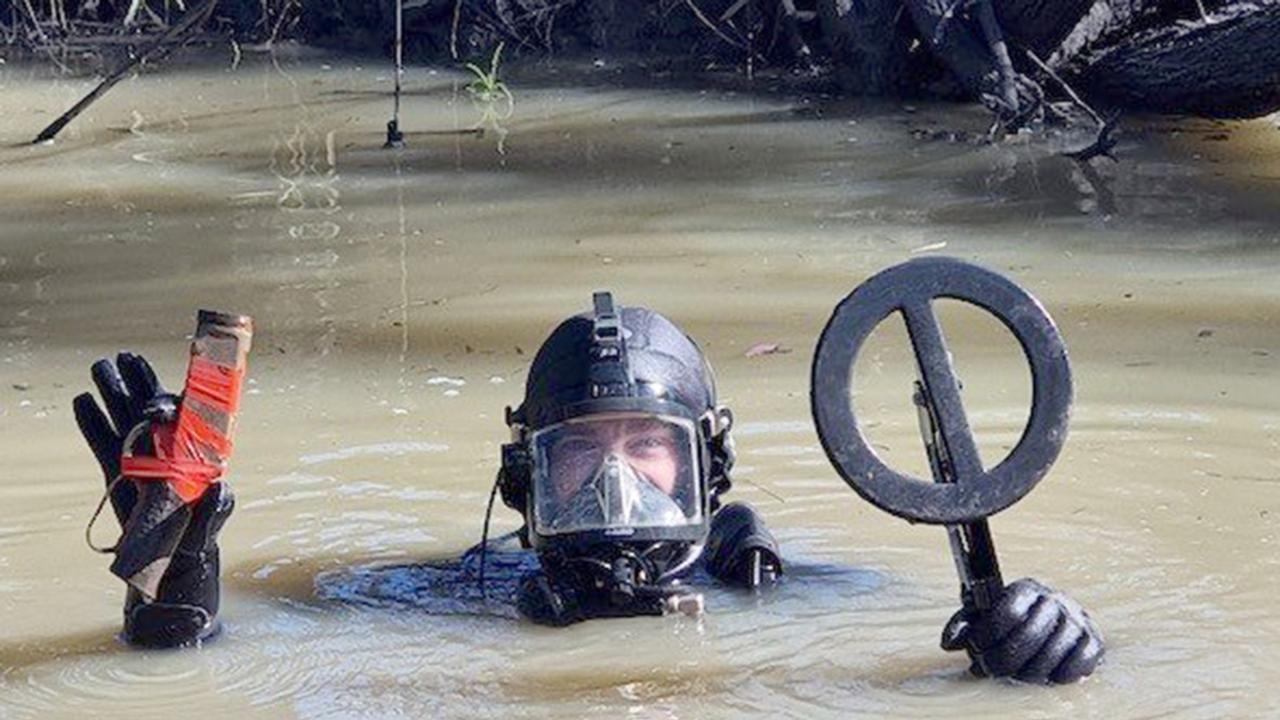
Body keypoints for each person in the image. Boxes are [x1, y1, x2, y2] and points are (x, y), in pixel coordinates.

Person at [72, 292, 1103, 684]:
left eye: (644, 449)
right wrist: (170, 605)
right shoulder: (455, 595)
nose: (615, 477)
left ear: (708, 467)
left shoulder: (787, 591)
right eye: (581, 453)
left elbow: (920, 660)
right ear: (526, 480)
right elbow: (252, 665)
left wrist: (1039, 642)